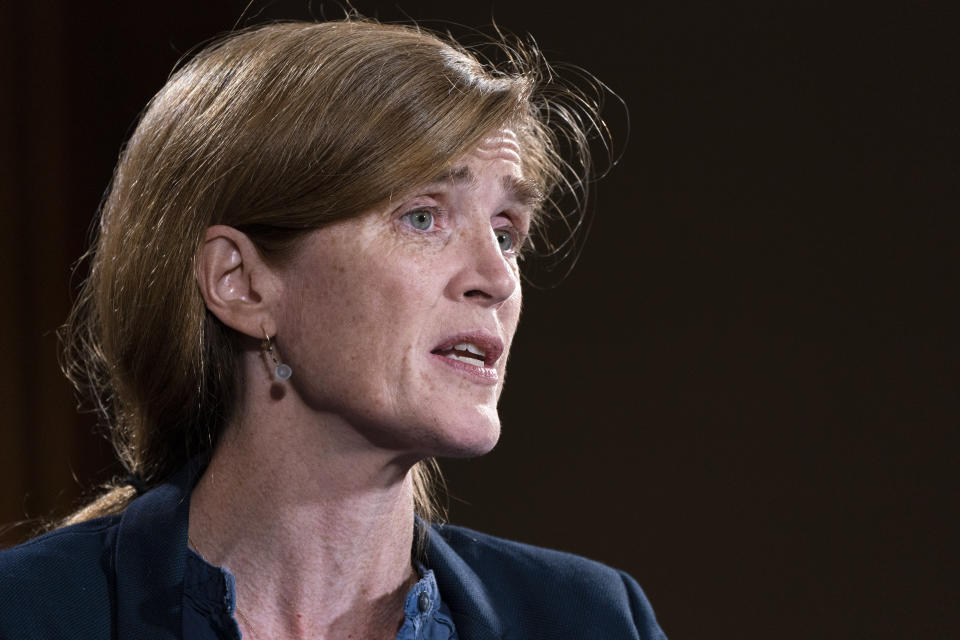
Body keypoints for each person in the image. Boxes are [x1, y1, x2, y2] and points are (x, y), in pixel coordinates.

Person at [0, 18, 666, 640]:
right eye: (424, 218)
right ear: (241, 282)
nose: (495, 278)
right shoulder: (28, 612)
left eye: (506, 232)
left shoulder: (590, 619)